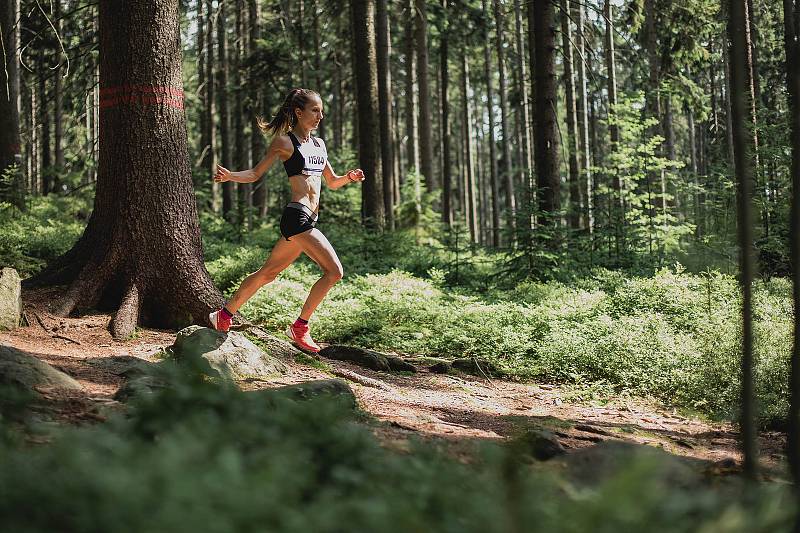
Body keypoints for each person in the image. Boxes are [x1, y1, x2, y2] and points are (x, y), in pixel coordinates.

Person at [208, 88, 365, 353]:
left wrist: (349, 177)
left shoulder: (319, 145)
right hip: (297, 216)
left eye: (321, 110)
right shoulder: (285, 142)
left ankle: (223, 315)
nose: (320, 116)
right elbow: (256, 173)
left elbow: (332, 182)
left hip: (310, 219)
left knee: (267, 273)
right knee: (334, 271)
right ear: (298, 112)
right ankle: (300, 327)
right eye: (314, 110)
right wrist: (230, 176)